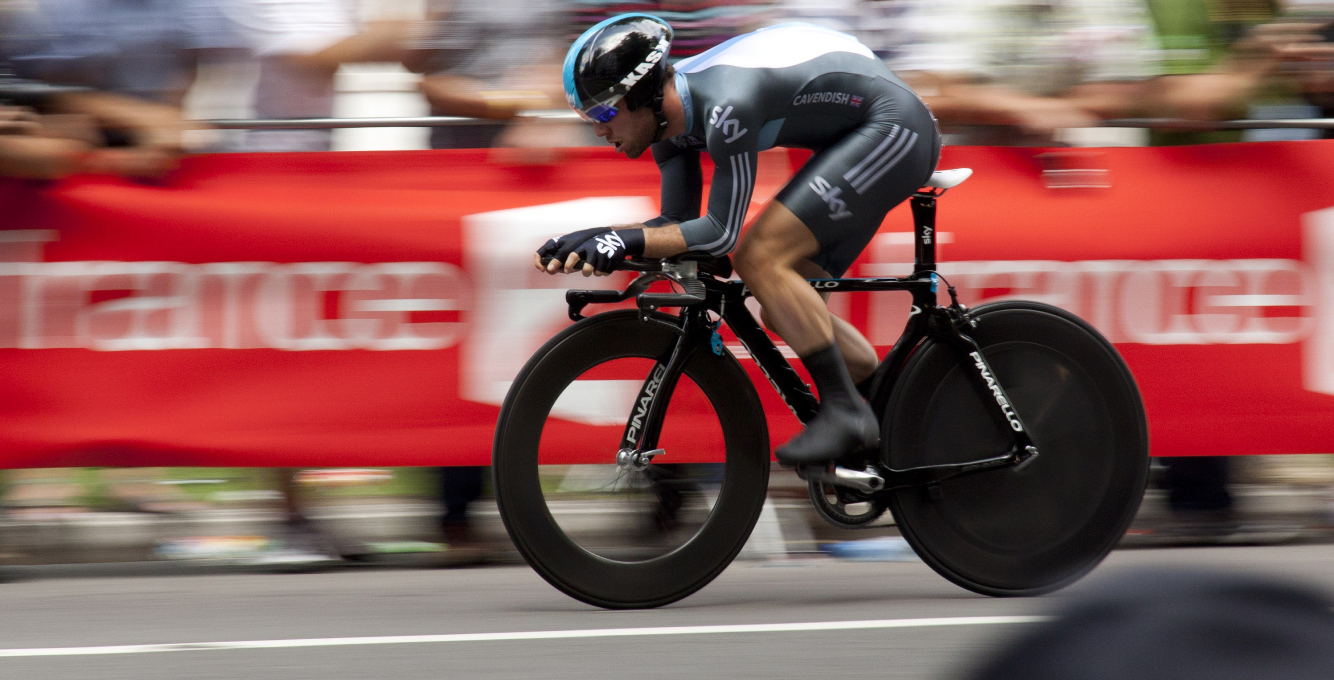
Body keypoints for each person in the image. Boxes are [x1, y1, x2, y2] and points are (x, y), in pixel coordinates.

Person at [538, 15, 941, 465]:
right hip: (855, 133)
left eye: (607, 113)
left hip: (894, 127)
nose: (599, 129)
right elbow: (675, 224)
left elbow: (719, 234)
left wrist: (621, 240)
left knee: (760, 259)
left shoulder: (725, 104)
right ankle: (905, 424)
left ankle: (846, 412)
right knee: (783, 306)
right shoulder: (668, 131)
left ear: (645, 94)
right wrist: (595, 239)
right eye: (590, 117)